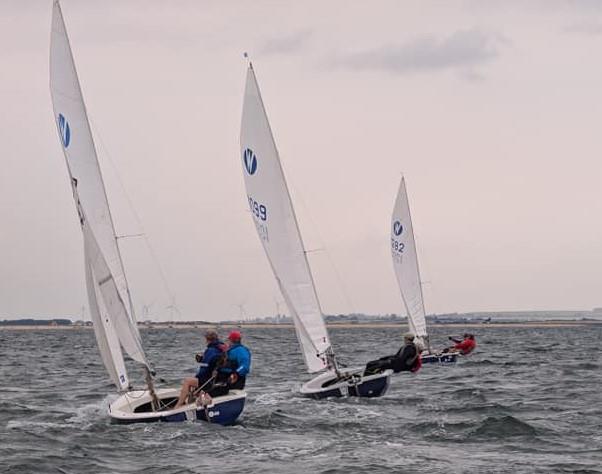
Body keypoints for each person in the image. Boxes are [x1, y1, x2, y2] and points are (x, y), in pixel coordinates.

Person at [174, 330, 226, 408]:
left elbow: (205, 367)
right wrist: (202, 359)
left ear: (207, 339)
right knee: (193, 382)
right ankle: (190, 401)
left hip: (208, 380)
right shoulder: (219, 348)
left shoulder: (210, 350)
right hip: (214, 378)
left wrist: (197, 377)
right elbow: (212, 362)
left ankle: (178, 405)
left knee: (187, 381)